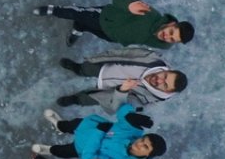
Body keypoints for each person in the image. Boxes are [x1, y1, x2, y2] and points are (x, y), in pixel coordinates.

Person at [32, 103, 167, 159]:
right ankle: (59, 125)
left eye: (146, 147)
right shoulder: (134, 131)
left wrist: (99, 132)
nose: (140, 143)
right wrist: (129, 115)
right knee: (68, 125)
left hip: (82, 148)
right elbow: (122, 107)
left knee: (62, 151)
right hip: (87, 127)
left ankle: (49, 150)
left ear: (149, 155)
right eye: (143, 140)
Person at [35, 0, 195, 49]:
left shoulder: (165, 46)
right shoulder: (149, 13)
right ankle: (53, 9)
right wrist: (129, 5)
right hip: (104, 17)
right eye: (171, 32)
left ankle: (78, 29)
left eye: (173, 39)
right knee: (77, 13)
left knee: (87, 27)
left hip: (112, 36)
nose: (168, 37)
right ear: (172, 24)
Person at [56, 47, 187, 111]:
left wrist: (122, 91)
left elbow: (118, 107)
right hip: (106, 67)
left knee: (89, 99)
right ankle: (78, 69)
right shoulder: (153, 59)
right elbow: (126, 53)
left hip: (109, 94)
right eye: (164, 77)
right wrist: (104, 56)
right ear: (168, 70)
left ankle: (75, 99)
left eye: (164, 85)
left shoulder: (149, 99)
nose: (158, 80)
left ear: (168, 92)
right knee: (86, 68)